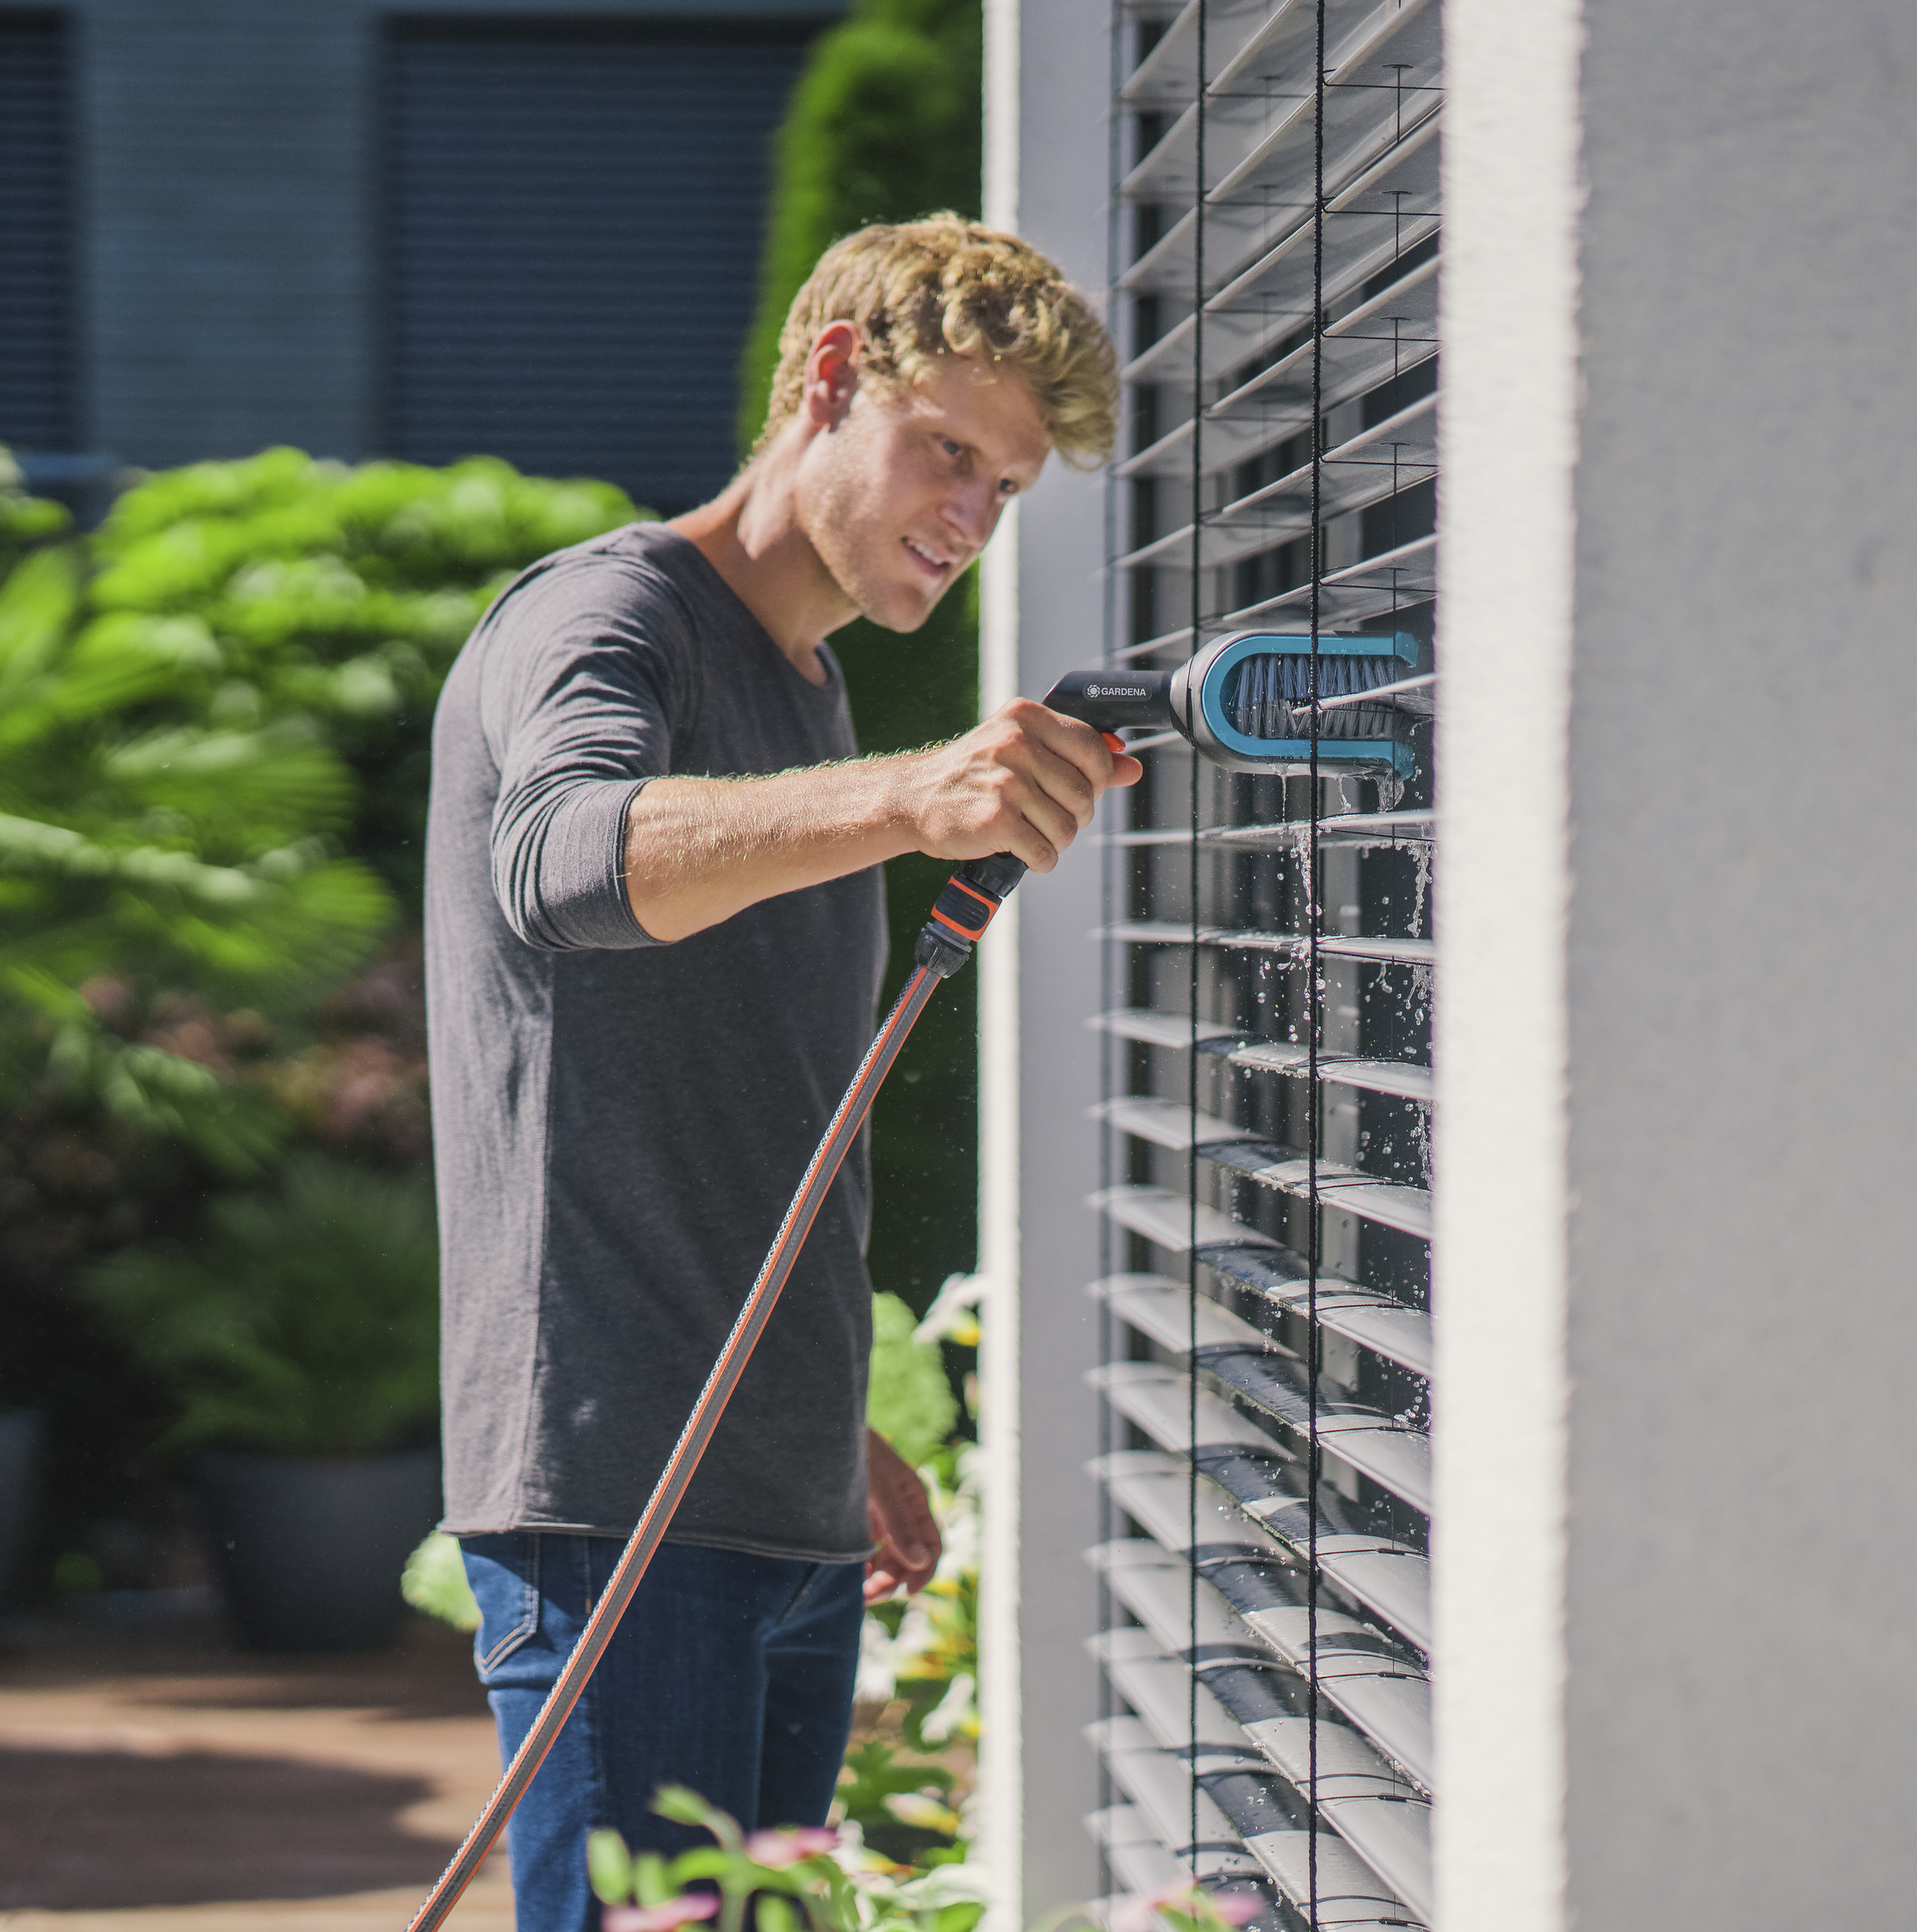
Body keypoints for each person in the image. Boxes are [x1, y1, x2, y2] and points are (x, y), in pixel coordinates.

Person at [423, 214, 1136, 1931]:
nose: (968, 520)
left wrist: (831, 1431)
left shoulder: (805, 692)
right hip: (614, 1498)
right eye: (948, 452)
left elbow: (741, 1111)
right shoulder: (611, 619)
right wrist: (909, 800)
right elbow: (567, 859)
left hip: (771, 1498)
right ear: (829, 380)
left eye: (1007, 488)